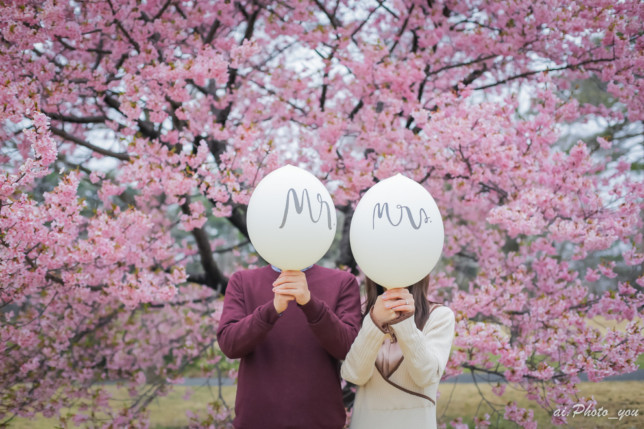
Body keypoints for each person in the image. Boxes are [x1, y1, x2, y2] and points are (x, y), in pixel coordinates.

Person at [216, 264, 361, 429]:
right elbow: (230, 345)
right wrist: (272, 309)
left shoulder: (343, 282)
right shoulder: (243, 281)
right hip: (256, 420)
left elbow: (349, 349)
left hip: (321, 421)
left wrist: (309, 303)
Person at [341, 275, 455, 429]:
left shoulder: (438, 316)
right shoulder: (361, 315)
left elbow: (426, 376)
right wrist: (375, 321)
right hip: (366, 421)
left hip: (416, 422)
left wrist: (405, 322)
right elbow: (354, 375)